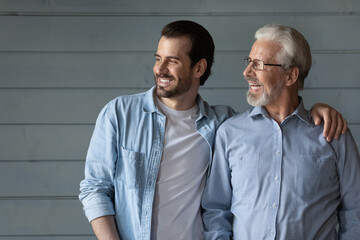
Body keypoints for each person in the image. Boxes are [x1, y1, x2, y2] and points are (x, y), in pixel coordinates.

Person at [79, 21, 347, 240]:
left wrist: (318, 109)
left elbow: (275, 121)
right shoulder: (120, 113)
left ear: (199, 67)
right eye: (158, 58)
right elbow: (94, 189)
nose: (159, 69)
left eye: (172, 61)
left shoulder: (221, 124)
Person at [201, 24, 360, 240]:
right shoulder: (230, 133)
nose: (247, 73)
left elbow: (355, 211)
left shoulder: (334, 134)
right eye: (249, 63)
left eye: (259, 65)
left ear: (290, 76)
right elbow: (216, 210)